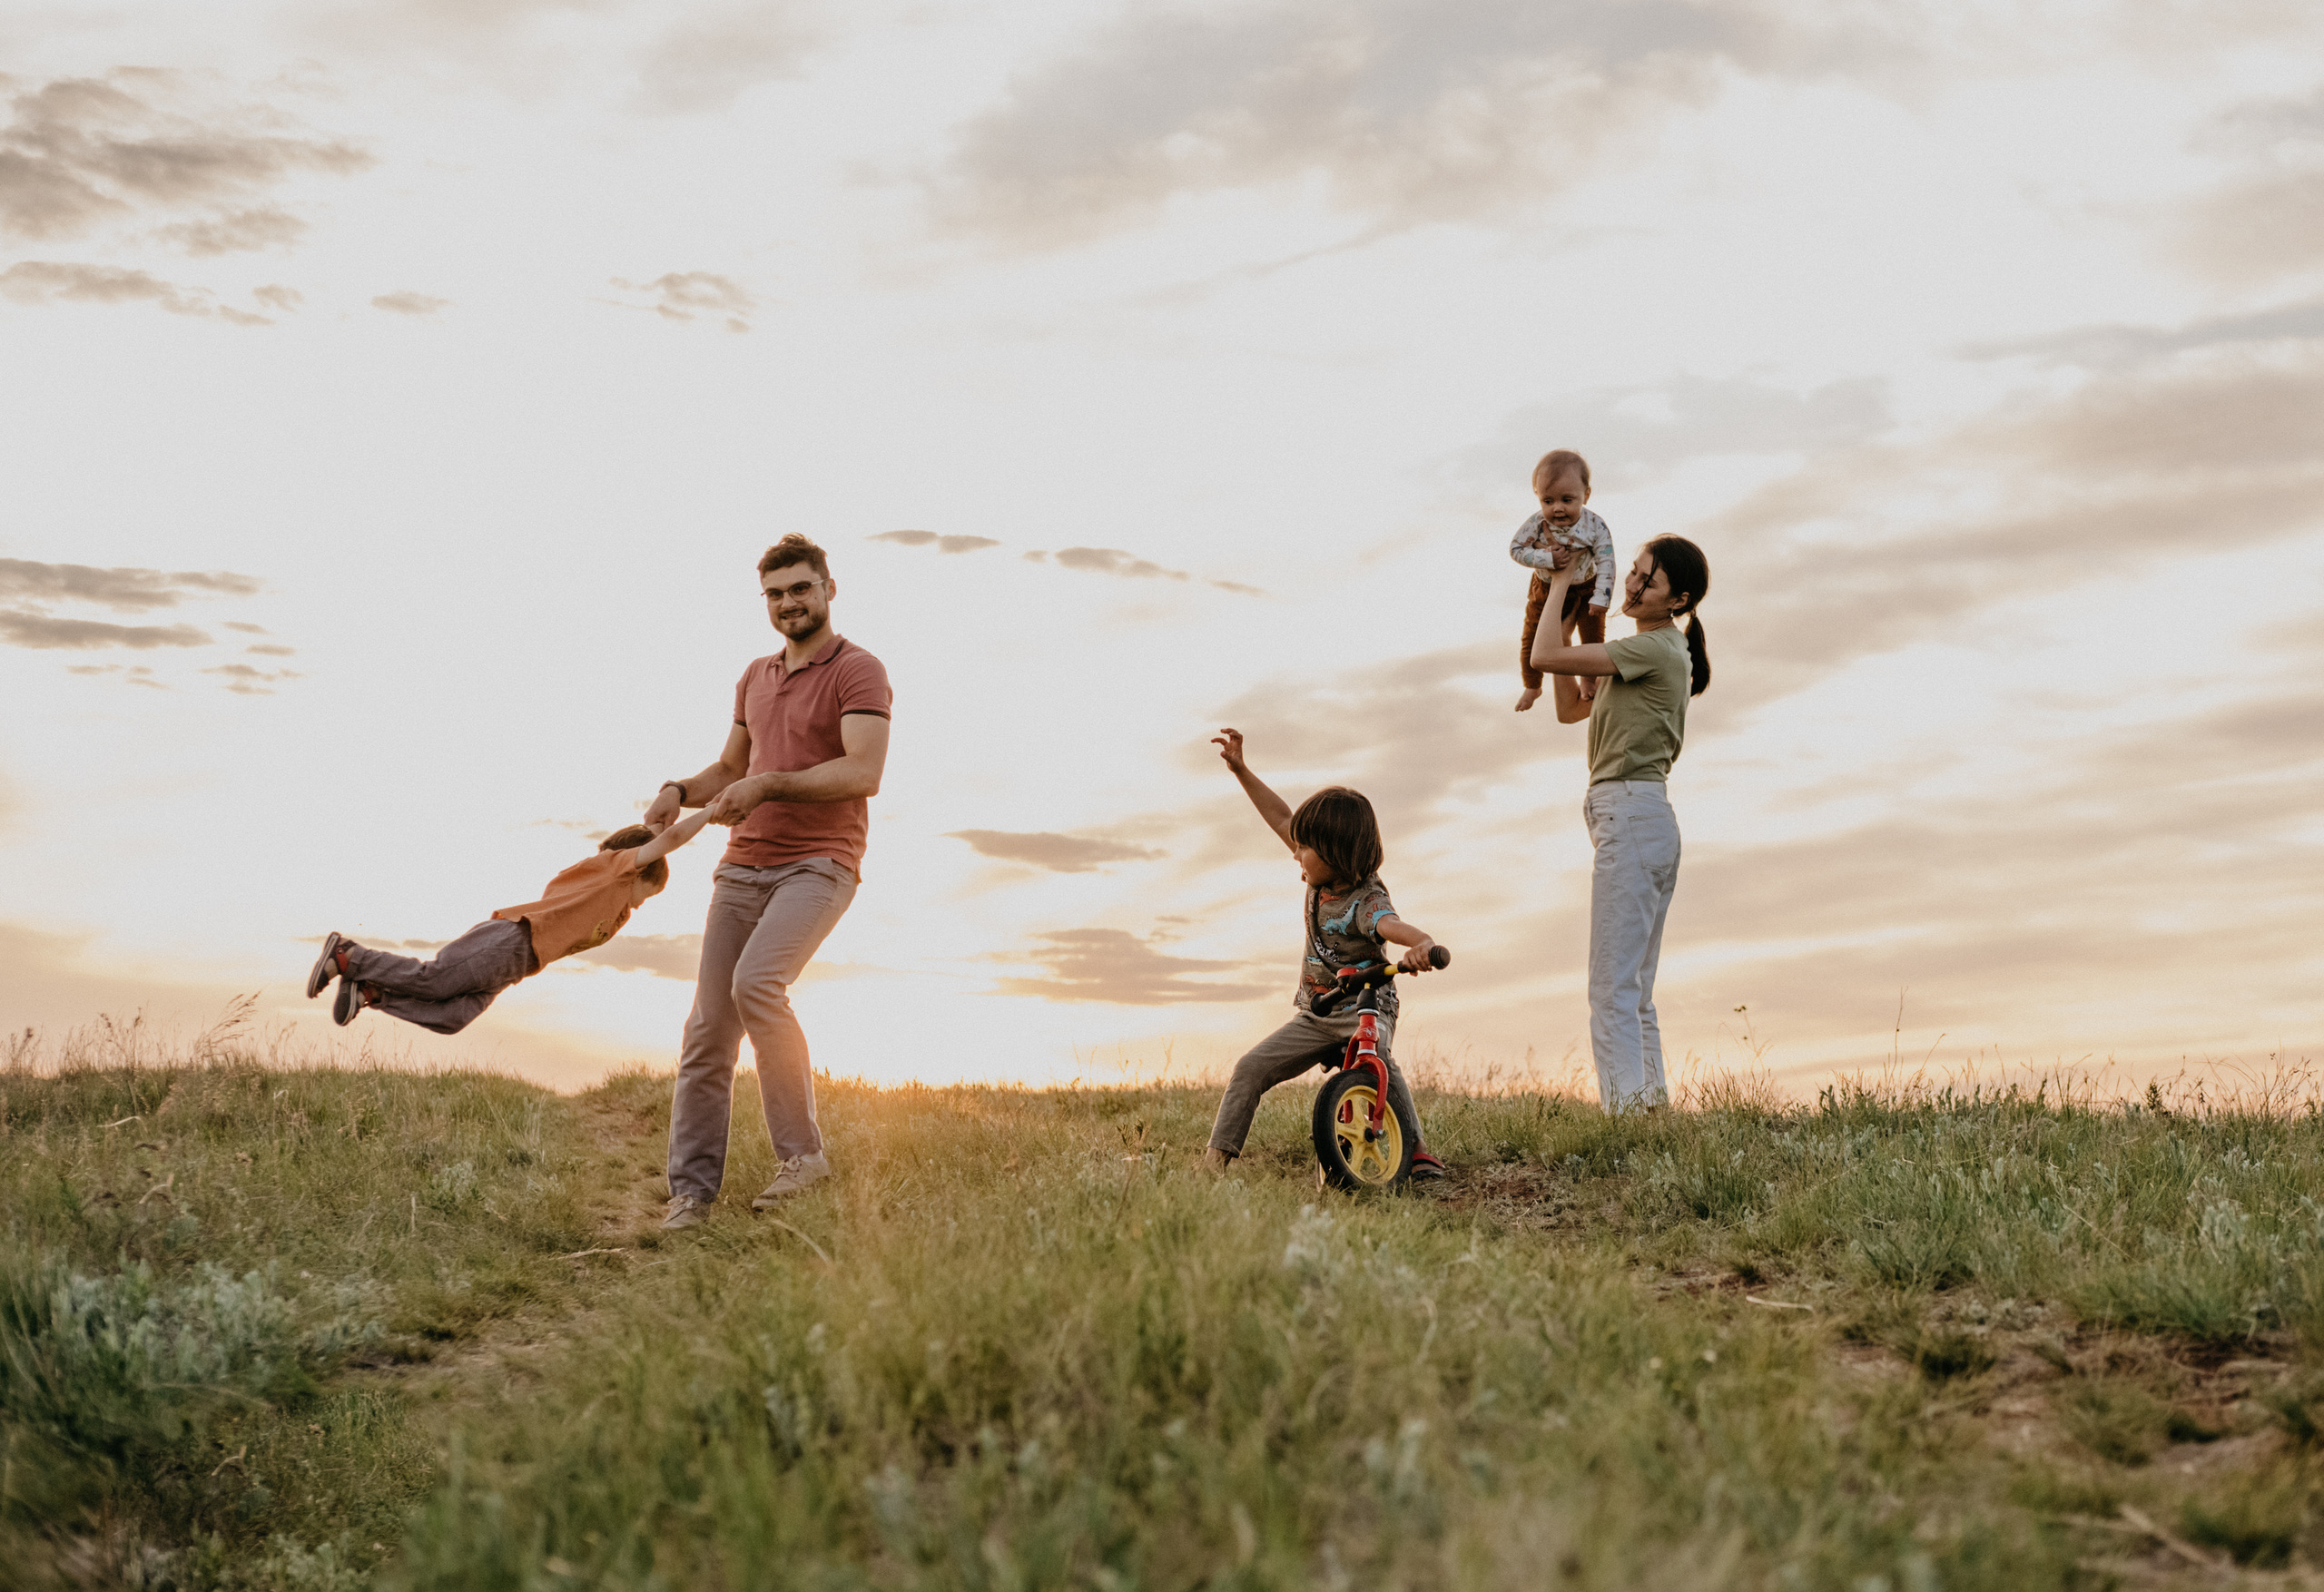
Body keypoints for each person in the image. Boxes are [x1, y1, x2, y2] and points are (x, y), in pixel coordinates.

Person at [641, 534, 891, 1231]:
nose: (789, 604)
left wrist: (769, 786)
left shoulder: (859, 670)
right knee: (708, 1027)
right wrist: (678, 790)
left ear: (829, 589)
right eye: (776, 594)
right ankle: (690, 1196)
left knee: (756, 985)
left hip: (820, 861)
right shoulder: (754, 676)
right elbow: (730, 769)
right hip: (742, 866)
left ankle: (803, 1157)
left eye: (801, 589)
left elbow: (863, 770)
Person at [1201, 729, 1447, 1179]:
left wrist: (1422, 944)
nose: (1296, 852)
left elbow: (1391, 925)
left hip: (1365, 1010)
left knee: (1380, 1068)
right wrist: (1241, 770)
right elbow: (1280, 818)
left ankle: (1416, 1152)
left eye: (1306, 847)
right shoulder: (1318, 876)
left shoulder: (1366, 900)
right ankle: (1213, 1165)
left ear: (1336, 853)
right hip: (1317, 1011)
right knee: (1250, 1068)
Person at [1529, 535, 1711, 1112]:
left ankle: (1626, 1117)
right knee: (1633, 990)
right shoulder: (1642, 656)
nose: (1631, 585)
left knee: (1610, 988)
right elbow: (1566, 709)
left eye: (1648, 581)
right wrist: (1574, 622)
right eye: (1633, 572)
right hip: (1642, 817)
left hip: (1631, 815)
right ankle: (1650, 1110)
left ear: (1677, 599)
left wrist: (1557, 584)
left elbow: (1541, 657)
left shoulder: (1654, 649)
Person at [306, 810, 716, 1034]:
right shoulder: (612, 871)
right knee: (434, 980)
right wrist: (710, 811)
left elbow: (652, 834)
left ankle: (371, 993)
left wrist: (658, 817)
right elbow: (663, 843)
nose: (641, 906)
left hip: (520, 964)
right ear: (636, 874)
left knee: (453, 1018)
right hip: (513, 940)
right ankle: (348, 956)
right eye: (646, 894)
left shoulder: (617, 906)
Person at [1512, 449, 1616, 713]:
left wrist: (1601, 597)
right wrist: (1544, 557)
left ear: (1586, 495)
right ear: (1538, 497)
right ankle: (1532, 685)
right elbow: (1516, 549)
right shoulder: (1536, 523)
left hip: (1587, 586)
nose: (1557, 508)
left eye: (1567, 499)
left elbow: (1606, 561)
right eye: (1548, 500)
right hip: (1545, 587)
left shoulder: (1595, 526)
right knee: (1532, 636)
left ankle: (1588, 680)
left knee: (1593, 637)